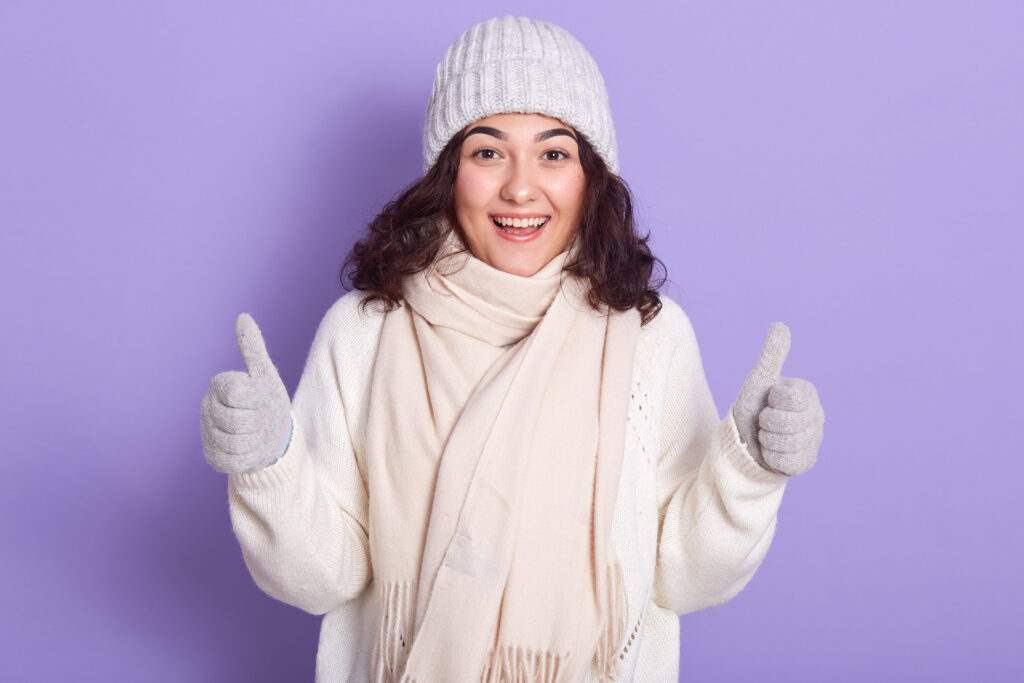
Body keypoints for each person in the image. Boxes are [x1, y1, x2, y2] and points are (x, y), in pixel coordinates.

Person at [200, 15, 825, 682]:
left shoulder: (650, 336)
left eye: (553, 154)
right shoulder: (365, 330)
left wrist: (750, 470)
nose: (520, 188)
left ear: (591, 176)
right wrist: (268, 465)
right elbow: (322, 579)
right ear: (449, 172)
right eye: (488, 152)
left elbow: (684, 575)